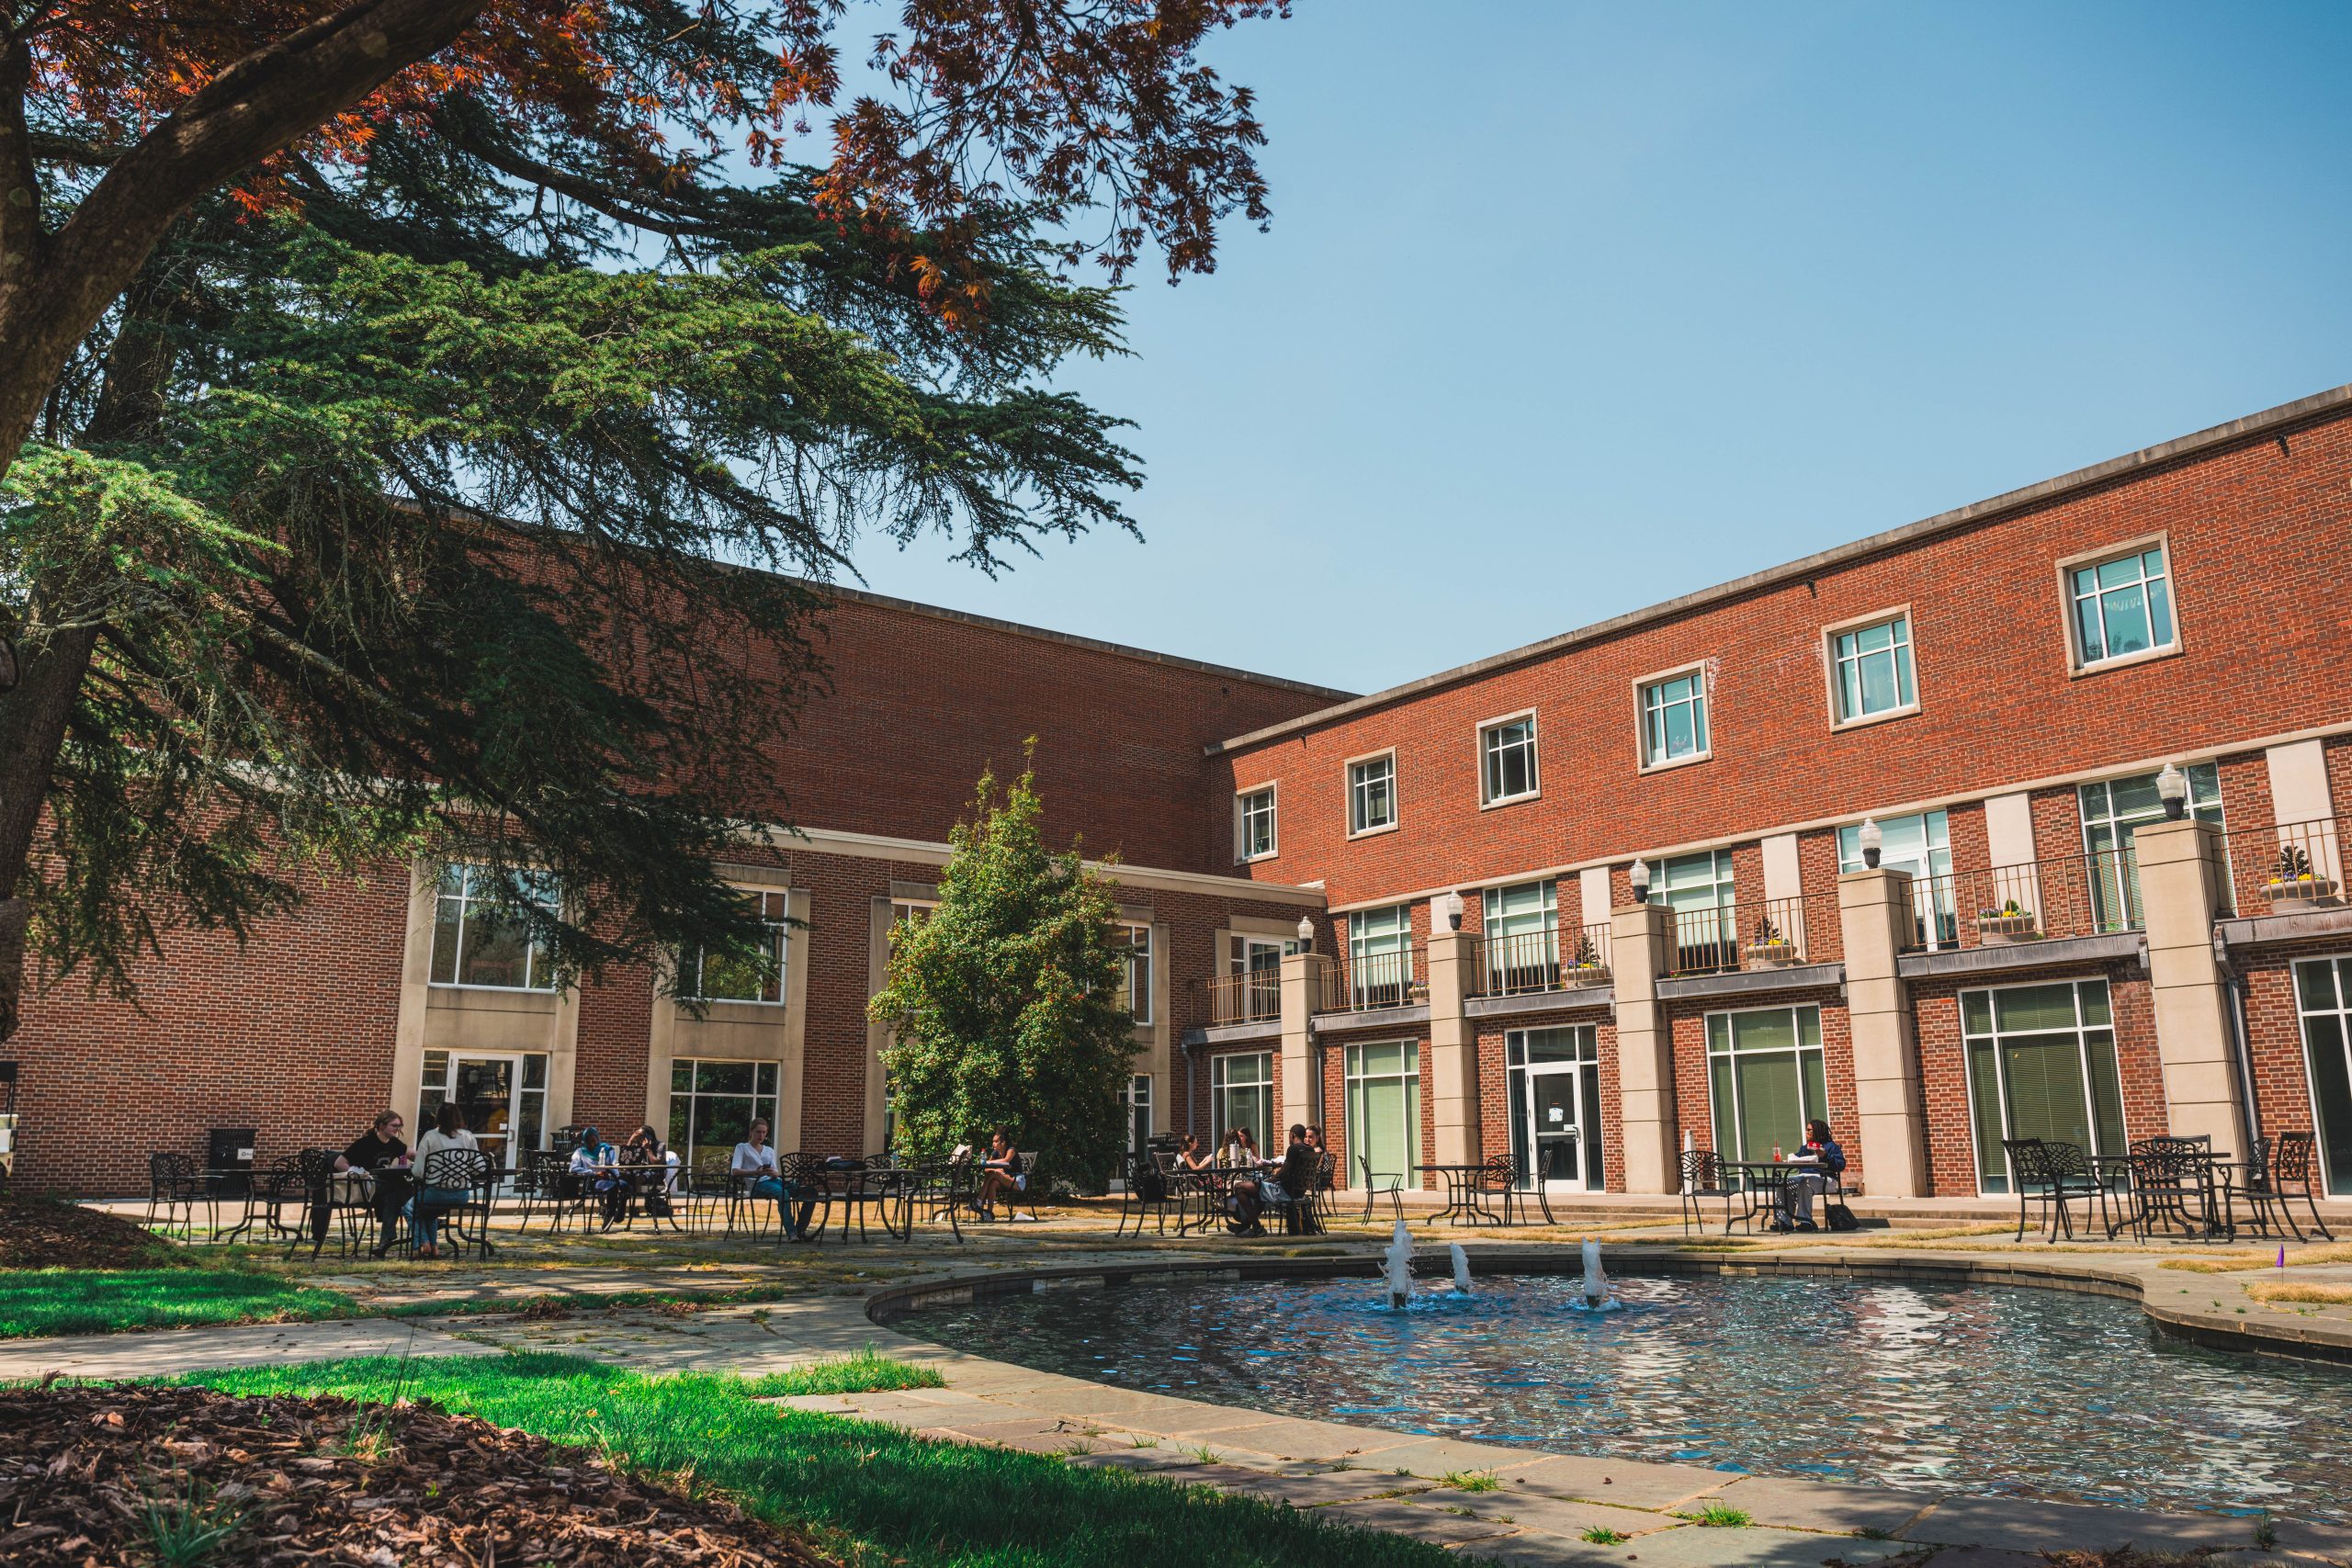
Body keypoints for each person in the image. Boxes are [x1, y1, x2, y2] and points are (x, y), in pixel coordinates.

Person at [408, 1102, 480, 1259]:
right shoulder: (468, 1136)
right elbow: (478, 1167)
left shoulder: (430, 1136)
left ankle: (422, 1242)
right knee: (429, 1213)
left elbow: (419, 1172)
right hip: (461, 1195)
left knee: (409, 1207)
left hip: (436, 1193)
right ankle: (434, 1248)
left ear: (438, 1118)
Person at [334, 1111, 409, 1251]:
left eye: (399, 1126)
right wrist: (356, 1176)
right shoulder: (365, 1143)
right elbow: (339, 1163)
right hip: (366, 1186)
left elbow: (412, 1153)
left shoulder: (394, 1143)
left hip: (385, 1187)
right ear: (381, 1126)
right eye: (394, 1125)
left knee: (395, 1192)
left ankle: (387, 1239)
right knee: (399, 1188)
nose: (397, 1129)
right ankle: (424, 1220)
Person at [1229, 1124, 1320, 1235]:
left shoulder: (1293, 1149)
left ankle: (1257, 1227)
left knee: (1239, 1188)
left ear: (1293, 1135)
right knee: (1258, 1193)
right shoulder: (1310, 1149)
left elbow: (1283, 1172)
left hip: (1283, 1192)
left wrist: (1269, 1180)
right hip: (1298, 1192)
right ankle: (1245, 1225)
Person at [732, 1120, 808, 1238]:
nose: (761, 1135)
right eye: (758, 1132)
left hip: (774, 1181)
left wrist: (774, 1173)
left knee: (810, 1192)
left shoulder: (769, 1150)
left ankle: (800, 1229)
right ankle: (792, 1233)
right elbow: (735, 1171)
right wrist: (756, 1172)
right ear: (751, 1131)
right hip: (757, 1184)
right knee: (783, 1193)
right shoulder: (742, 1147)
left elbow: (776, 1172)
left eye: (764, 1132)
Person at [1776, 1118, 1847, 1232]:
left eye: (1810, 1130)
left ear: (1818, 1131)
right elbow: (1798, 1160)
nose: (1807, 1133)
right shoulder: (1805, 1148)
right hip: (1804, 1176)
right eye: (1806, 1130)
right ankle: (1784, 1221)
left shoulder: (1830, 1146)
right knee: (1782, 1183)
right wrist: (1788, 1161)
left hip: (1826, 1179)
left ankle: (1805, 1222)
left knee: (1805, 1184)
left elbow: (1841, 1165)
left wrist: (1825, 1155)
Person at [571, 1125, 627, 1226]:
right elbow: (573, 1168)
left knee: (625, 1186)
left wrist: (615, 1174)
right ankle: (610, 1214)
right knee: (613, 1187)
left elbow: (614, 1165)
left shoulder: (607, 1149)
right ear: (584, 1141)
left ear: (598, 1139)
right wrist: (593, 1173)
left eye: (594, 1141)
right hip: (594, 1180)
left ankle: (619, 1214)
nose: (592, 1144)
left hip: (610, 1178)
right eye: (589, 1142)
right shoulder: (580, 1152)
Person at [976, 1128, 1024, 1221]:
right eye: (993, 1141)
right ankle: (989, 1214)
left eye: (996, 1141)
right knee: (993, 1181)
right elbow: (986, 1169)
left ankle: (979, 1201)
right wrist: (997, 1170)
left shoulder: (1011, 1150)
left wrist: (989, 1163)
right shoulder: (995, 1152)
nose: (993, 1144)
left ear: (1003, 1142)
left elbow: (1006, 1160)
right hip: (1004, 1179)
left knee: (993, 1174)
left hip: (1017, 1180)